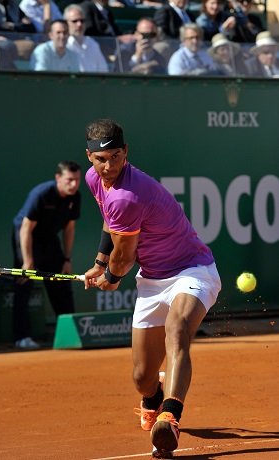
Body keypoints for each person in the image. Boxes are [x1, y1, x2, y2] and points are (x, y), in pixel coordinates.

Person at [83, 118, 221, 459]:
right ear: (90, 157)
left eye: (116, 156)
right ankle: (154, 399)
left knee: (177, 331)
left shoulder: (131, 194)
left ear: (125, 152)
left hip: (193, 270)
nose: (109, 165)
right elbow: (107, 218)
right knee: (143, 376)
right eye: (102, 159)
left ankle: (170, 417)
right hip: (152, 281)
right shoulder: (95, 181)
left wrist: (111, 278)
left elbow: (126, 258)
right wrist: (100, 263)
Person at [12, 160, 81, 350]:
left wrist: (67, 259)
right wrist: (27, 261)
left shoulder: (75, 198)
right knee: (24, 282)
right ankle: (22, 337)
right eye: (69, 180)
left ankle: (69, 335)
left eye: (77, 180)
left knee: (61, 280)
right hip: (27, 237)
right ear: (58, 178)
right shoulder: (41, 194)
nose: (74, 184)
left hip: (49, 240)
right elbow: (25, 228)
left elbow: (69, 229)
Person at [63, 4, 108, 72]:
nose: (79, 24)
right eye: (75, 21)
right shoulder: (63, 45)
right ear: (66, 23)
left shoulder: (92, 44)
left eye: (82, 21)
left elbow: (103, 71)